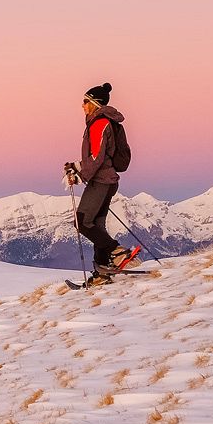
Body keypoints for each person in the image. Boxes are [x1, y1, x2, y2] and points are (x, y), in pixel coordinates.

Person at [63, 82, 140, 286]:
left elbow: (96, 158)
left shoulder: (99, 123)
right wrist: (77, 166)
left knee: (81, 221)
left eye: (85, 101)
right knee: (96, 225)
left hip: (101, 180)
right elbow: (100, 156)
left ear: (94, 103)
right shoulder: (104, 122)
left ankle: (118, 252)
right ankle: (102, 272)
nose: (82, 105)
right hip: (108, 180)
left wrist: (80, 174)